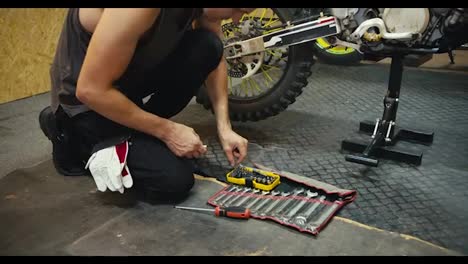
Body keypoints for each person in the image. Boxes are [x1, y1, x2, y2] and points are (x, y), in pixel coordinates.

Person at [39, 8, 253, 202]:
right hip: (85, 101)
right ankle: (69, 135)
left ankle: (138, 136)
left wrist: (225, 128)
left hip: (124, 85)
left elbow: (216, 59)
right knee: (174, 181)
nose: (235, 18)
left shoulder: (207, 10)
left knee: (208, 46)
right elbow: (90, 90)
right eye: (237, 9)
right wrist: (168, 131)